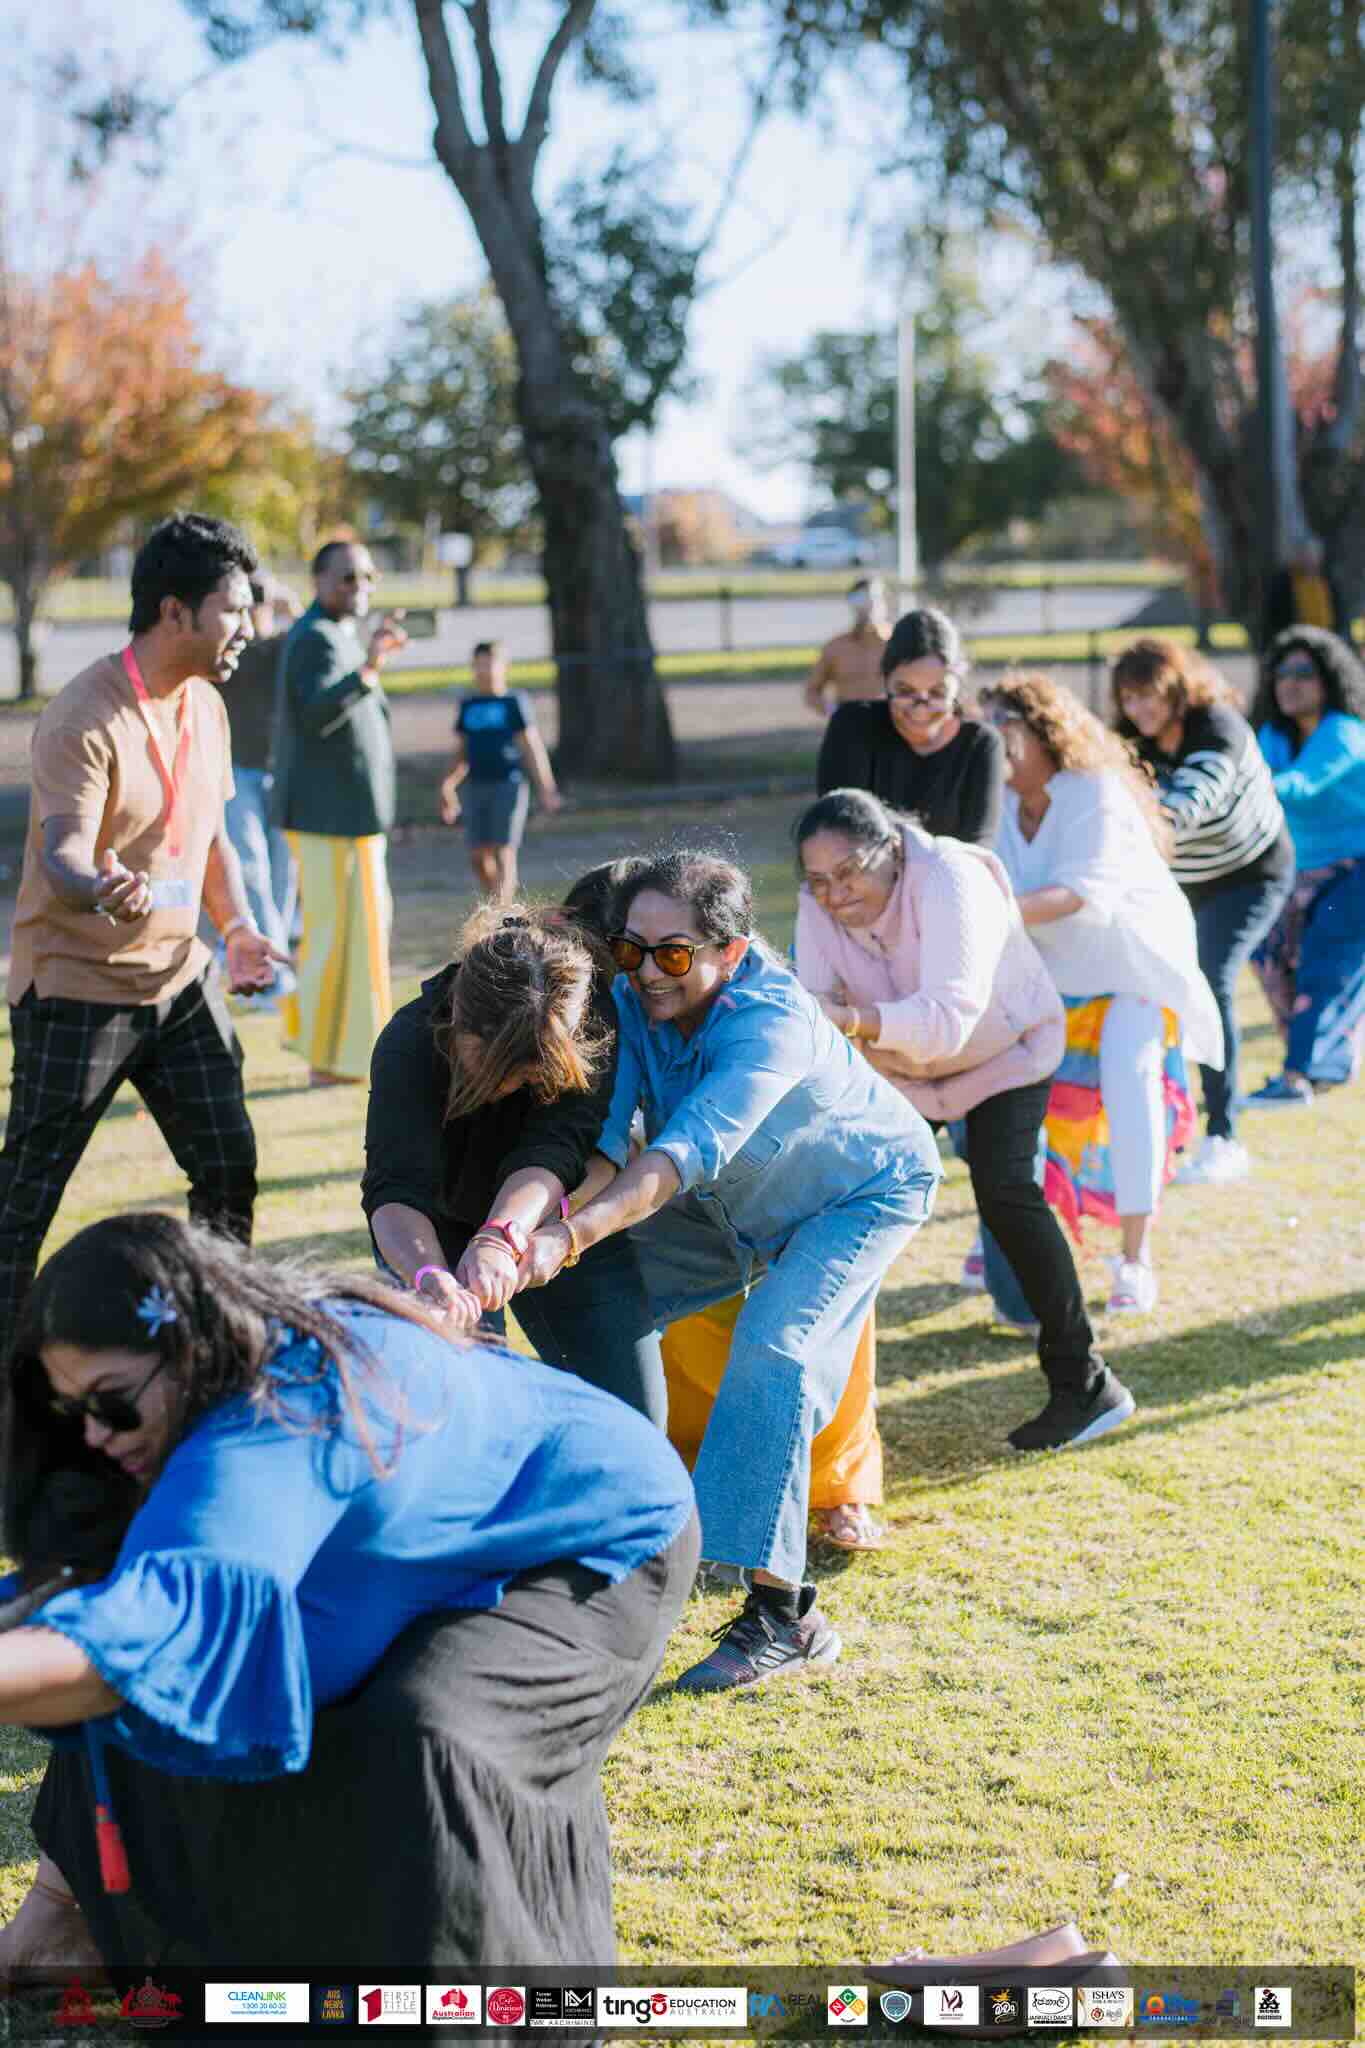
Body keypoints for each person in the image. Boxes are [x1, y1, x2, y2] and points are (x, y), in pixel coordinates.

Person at [0, 1213, 696, 1975]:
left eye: (112, 1401)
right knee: (127, 1630)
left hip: (592, 1536)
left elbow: (159, 1628)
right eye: (76, 1412)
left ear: (189, 1346)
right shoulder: (209, 1389)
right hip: (420, 1535)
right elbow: (117, 1614)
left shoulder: (285, 1411)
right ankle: (75, 1925)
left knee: (428, 1728)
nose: (96, 1436)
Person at [513, 850, 942, 1692]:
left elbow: (677, 1156)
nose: (643, 972)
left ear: (730, 954)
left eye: (672, 954)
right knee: (582, 1287)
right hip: (732, 1207)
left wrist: (568, 1236)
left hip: (855, 1196)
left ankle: (785, 1617)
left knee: (775, 1349)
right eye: (630, 950)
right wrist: (532, 1232)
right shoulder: (636, 1006)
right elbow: (607, 1152)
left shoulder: (770, 1020)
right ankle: (602, 1511)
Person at [0, 514, 287, 1368]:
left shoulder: (206, 703)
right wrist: (100, 886)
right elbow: (62, 854)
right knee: (24, 1204)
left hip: (179, 981)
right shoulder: (83, 716)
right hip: (78, 987)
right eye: (234, 610)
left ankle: (214, 1345)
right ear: (175, 613)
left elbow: (211, 838)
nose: (248, 627)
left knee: (229, 1167)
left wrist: (234, 929)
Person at [794, 788, 1132, 1453]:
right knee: (839, 1199)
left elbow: (947, 1023)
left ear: (889, 849)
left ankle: (1085, 1382)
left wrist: (850, 1023)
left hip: (1005, 1051)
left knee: (1005, 1193)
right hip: (898, 1069)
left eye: (847, 873)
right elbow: (814, 999)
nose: (833, 894)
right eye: (817, 881)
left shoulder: (950, 878)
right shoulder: (818, 902)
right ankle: (816, 1405)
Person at [362, 898, 665, 1421]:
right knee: (467, 1411)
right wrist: (430, 1277)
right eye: (500, 1069)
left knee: (633, 1413)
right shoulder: (407, 1044)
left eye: (531, 1075)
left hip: (550, 1210)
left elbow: (556, 1145)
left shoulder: (582, 1017)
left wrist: (501, 1233)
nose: (511, 1086)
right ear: (458, 1017)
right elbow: (394, 1191)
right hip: (431, 1231)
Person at [981, 672, 1223, 1318]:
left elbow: (1082, 897)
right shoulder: (994, 800)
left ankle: (1136, 1257)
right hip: (1053, 975)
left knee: (1128, 1080)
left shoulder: (1093, 792)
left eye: (1002, 727)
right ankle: (1007, 1244)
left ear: (1041, 732)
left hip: (1134, 964)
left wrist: (983, 912)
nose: (990, 742)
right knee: (1021, 1102)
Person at [1112, 637, 1293, 1182]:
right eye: (1130, 698)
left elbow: (1189, 802)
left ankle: (1224, 1135)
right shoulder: (1127, 742)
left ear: (1178, 690)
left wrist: (1137, 822)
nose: (1141, 709)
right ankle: (1166, 1119)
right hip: (1179, 882)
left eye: (1151, 696)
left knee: (1211, 979)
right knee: (1151, 985)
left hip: (1249, 874)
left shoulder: (1219, 728)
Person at [274, 540, 407, 1087]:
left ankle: (353, 1057)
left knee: (363, 938)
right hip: (329, 821)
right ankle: (327, 1062)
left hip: (352, 822)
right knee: (335, 940)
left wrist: (369, 663)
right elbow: (315, 714)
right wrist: (369, 668)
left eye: (368, 577)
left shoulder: (338, 637)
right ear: (318, 580)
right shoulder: (314, 638)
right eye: (347, 577)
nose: (360, 588)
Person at [1243, 626, 1365, 1104]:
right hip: (1296, 873)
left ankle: (1298, 1076)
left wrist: (1235, 782)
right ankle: (1326, 1063)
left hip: (1356, 869)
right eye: (1281, 673)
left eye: (1303, 674)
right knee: (1267, 956)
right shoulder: (1273, 734)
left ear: (1329, 680)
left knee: (1324, 964)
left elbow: (1298, 785)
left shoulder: (1345, 732)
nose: (1289, 683)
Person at [816, 605, 1005, 843]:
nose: (921, 707)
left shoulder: (980, 744)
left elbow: (977, 849)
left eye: (937, 693)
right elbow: (840, 831)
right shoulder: (853, 727)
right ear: (886, 681)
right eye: (905, 691)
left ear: (958, 687)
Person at [211, 574, 298, 1008]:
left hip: (281, 775)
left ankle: (270, 963)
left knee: (282, 879)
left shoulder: (285, 646)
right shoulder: (232, 648)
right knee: (253, 874)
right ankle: (275, 979)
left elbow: (316, 643)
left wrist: (291, 604)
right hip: (237, 774)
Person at [439, 640, 562, 902]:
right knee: (477, 856)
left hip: (508, 784)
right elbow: (461, 752)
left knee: (503, 850)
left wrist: (546, 787)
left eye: (490, 663)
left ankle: (501, 910)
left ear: (503, 667)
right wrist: (447, 786)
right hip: (475, 785)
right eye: (479, 664)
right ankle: (497, 902)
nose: (485, 670)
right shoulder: (469, 705)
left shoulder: (513, 702)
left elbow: (531, 746)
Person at [803, 578, 892, 716]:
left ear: (886, 602)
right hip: (848, 727)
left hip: (890, 726)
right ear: (852, 604)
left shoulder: (899, 644)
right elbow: (812, 691)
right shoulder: (835, 647)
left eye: (876, 598)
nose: (870, 605)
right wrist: (833, 712)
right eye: (862, 599)